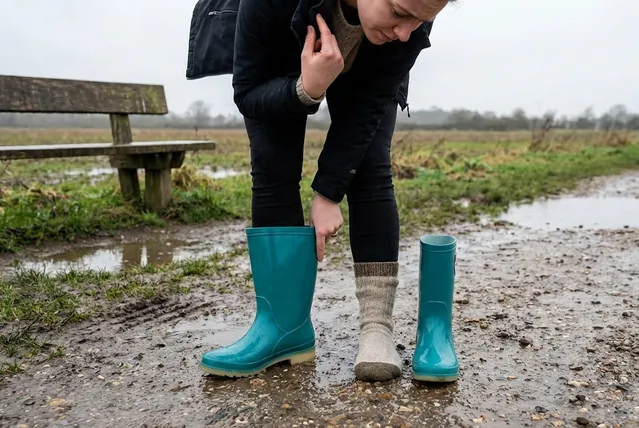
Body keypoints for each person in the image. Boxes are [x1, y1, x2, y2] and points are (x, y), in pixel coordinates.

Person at [185, 0, 457, 383]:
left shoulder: (411, 21)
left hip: (366, 71)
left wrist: (327, 193)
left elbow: (367, 110)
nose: (406, 32)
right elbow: (248, 95)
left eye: (422, 20)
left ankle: (377, 327)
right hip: (278, 50)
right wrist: (307, 87)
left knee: (370, 167)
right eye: (398, 12)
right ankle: (282, 328)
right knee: (272, 170)